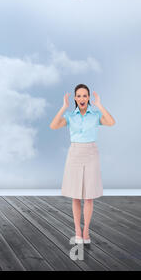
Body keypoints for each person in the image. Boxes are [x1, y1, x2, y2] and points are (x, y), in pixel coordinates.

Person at [49, 84, 115, 244]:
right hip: (75, 153)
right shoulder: (70, 116)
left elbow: (111, 122)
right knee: (76, 196)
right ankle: (77, 232)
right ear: (75, 98)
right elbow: (53, 125)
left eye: (84, 96)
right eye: (78, 96)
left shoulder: (95, 114)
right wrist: (63, 107)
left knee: (89, 196)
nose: (81, 99)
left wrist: (99, 105)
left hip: (91, 153)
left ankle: (86, 232)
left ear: (88, 98)